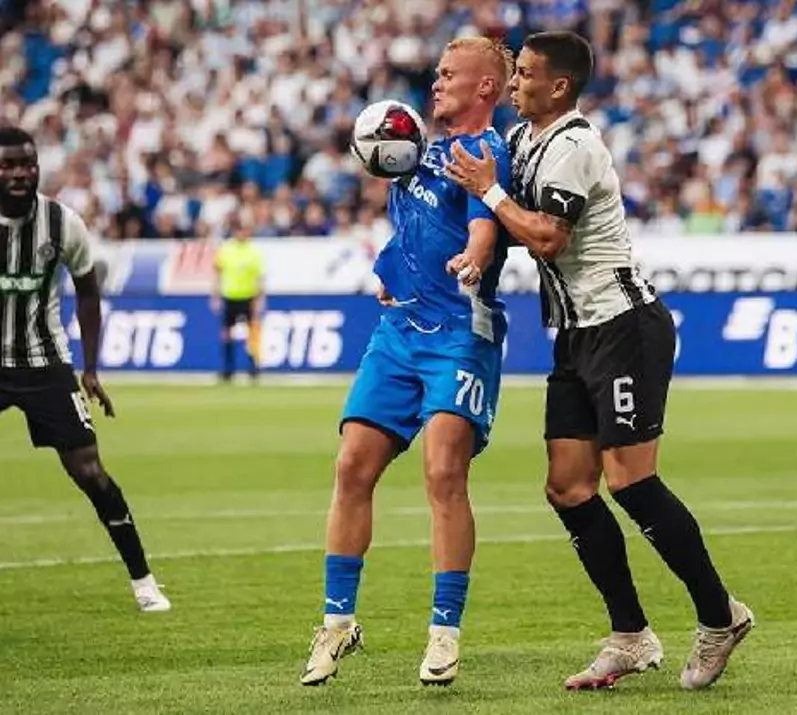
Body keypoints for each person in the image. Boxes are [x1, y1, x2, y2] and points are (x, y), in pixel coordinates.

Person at [445, 31, 753, 692]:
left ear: (558, 86)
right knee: (567, 486)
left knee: (632, 481)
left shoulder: (575, 145)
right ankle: (631, 635)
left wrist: (493, 195)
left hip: (622, 324)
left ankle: (719, 615)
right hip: (576, 332)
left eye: (524, 74)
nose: (514, 83)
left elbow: (551, 238)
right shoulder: (527, 142)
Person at [299, 37, 513, 688]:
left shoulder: (483, 151)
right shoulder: (418, 147)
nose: (437, 81)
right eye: (438, 72)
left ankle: (444, 630)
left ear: (485, 89)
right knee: (351, 464)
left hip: (459, 331)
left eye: (451, 74)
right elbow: (414, 223)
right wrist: (390, 270)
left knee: (444, 470)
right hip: (400, 329)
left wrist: (476, 257)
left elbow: (482, 222)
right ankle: (338, 622)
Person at [0, 127, 170, 616]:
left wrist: (90, 368)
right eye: (7, 165)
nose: (19, 173)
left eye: (27, 163)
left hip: (46, 364)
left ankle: (145, 583)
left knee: (89, 471)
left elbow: (89, 291)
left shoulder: (62, 222)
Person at [211, 231, 265, 382]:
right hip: (230, 296)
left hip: (248, 296)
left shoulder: (253, 251)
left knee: (252, 332)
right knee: (226, 333)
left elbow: (259, 277)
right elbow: (217, 273)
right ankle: (228, 369)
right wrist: (215, 295)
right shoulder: (226, 249)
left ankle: (253, 367)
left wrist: (259, 299)